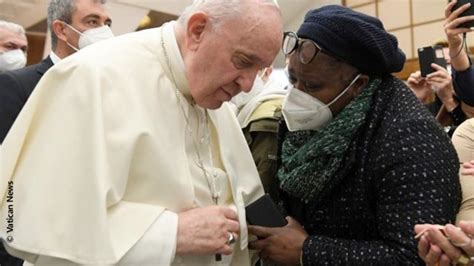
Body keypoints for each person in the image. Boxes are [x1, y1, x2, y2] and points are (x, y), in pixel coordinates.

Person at [0, 0, 283, 265]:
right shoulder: (93, 76)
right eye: (244, 61)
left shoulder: (214, 94)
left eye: (259, 69)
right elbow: (30, 220)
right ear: (198, 31)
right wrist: (170, 235)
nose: (248, 85)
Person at [247, 5, 461, 265]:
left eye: (312, 86)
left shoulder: (411, 138)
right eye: (293, 80)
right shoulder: (301, 121)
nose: (297, 96)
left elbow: (412, 256)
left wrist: (306, 251)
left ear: (358, 84)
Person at [0, 0, 113, 144]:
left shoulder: (106, 87)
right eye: (92, 22)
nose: (104, 31)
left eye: (107, 24)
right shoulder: (17, 85)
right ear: (61, 30)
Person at [407, 41, 467, 136]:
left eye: (450, 64)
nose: (444, 71)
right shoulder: (427, 109)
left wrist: (449, 100)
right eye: (440, 66)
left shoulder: (470, 104)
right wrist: (414, 101)